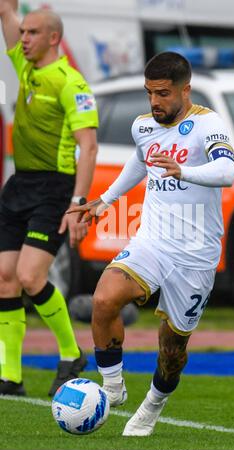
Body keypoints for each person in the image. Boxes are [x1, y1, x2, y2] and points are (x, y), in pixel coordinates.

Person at [68, 51, 234, 436]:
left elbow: (227, 171)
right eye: (149, 93)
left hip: (197, 253)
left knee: (172, 351)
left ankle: (153, 405)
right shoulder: (143, 126)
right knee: (104, 298)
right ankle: (112, 389)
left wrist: (185, 170)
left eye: (162, 93)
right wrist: (105, 201)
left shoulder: (207, 124)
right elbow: (140, 163)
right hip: (153, 241)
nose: (154, 102)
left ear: (184, 89)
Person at [0, 0, 98, 397]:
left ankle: (71, 352)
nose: (24, 39)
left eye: (32, 32)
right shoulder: (25, 68)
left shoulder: (71, 82)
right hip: (19, 184)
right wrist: (11, 12)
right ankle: (10, 375)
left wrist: (78, 202)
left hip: (53, 188)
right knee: (5, 279)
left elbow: (88, 148)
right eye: (23, 33)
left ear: (53, 37)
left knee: (29, 277)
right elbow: (7, 12)